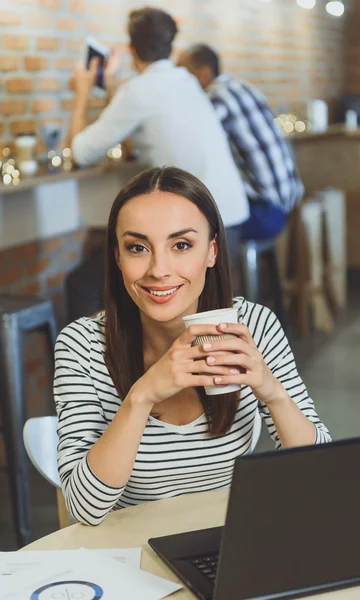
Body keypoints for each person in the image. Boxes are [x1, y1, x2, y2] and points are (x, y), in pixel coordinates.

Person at [54, 166, 331, 526]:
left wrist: (272, 391)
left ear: (212, 251)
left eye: (181, 245)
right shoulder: (81, 345)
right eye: (138, 248)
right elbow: (84, 509)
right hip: (127, 555)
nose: (159, 269)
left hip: (227, 546)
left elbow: (320, 474)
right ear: (118, 257)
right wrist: (142, 396)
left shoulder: (254, 327)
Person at [68, 7, 249, 252]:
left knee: (96, 274)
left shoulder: (138, 91)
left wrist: (82, 90)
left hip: (201, 228)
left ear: (131, 50)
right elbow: (130, 131)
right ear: (171, 49)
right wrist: (111, 88)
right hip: (232, 216)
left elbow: (81, 153)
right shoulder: (186, 81)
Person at [177, 44, 304, 242]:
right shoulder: (244, 86)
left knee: (189, 228)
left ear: (203, 73)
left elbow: (189, 142)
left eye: (183, 72)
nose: (178, 79)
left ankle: (225, 274)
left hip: (264, 212)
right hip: (289, 203)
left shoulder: (213, 99)